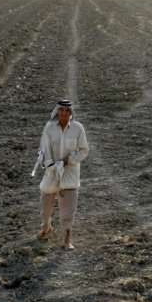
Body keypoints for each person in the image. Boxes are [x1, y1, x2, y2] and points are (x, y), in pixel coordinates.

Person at [36, 99, 89, 249]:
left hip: (70, 173)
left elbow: (84, 150)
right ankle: (46, 227)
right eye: (61, 110)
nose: (64, 113)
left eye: (67, 111)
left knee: (68, 209)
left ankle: (67, 239)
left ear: (70, 112)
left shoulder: (78, 128)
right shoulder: (49, 127)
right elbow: (44, 148)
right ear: (57, 111)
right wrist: (49, 163)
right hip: (52, 172)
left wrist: (69, 160)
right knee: (46, 205)